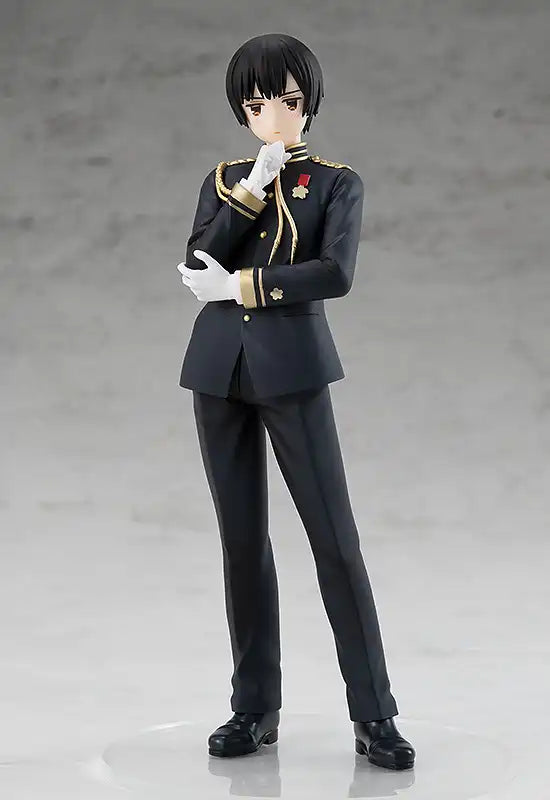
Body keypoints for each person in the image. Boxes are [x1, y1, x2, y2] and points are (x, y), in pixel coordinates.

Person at [177, 33, 415, 770]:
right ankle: (254, 705)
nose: (272, 117)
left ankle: (374, 712)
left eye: (285, 100)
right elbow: (197, 259)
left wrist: (241, 286)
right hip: (219, 369)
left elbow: (334, 272)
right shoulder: (226, 179)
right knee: (241, 541)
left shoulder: (338, 183)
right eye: (256, 104)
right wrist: (253, 187)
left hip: (294, 367)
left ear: (308, 102)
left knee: (334, 541)